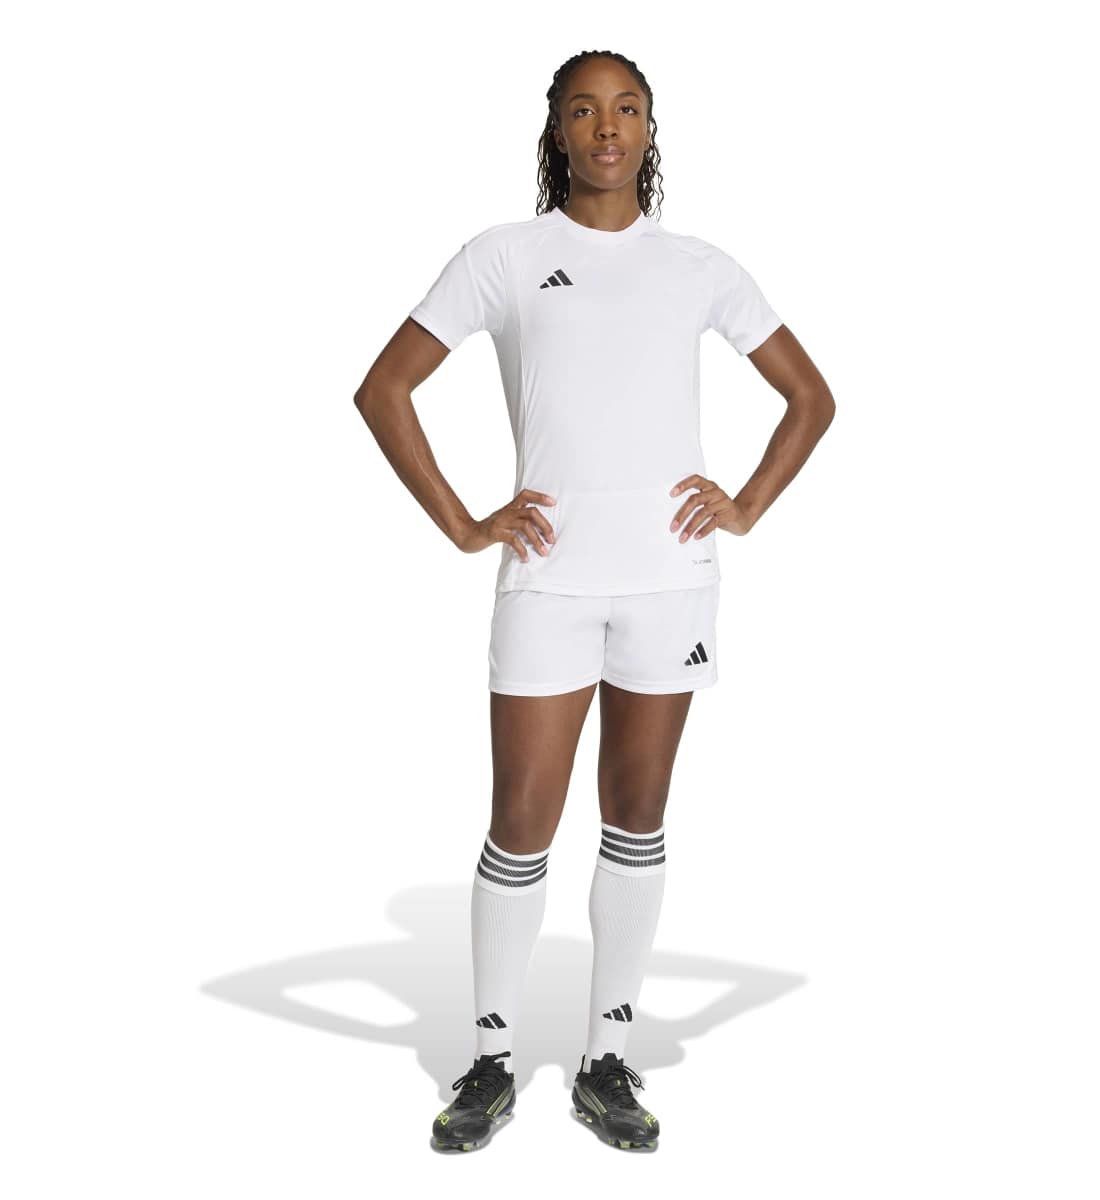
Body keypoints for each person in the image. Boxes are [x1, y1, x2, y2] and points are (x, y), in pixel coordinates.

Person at [353, 49, 835, 1153]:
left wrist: (746, 503)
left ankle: (607, 1058)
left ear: (650, 130)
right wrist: (464, 522)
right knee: (522, 818)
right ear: (557, 131)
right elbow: (384, 389)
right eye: (584, 109)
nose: (606, 126)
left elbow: (810, 397)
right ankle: (490, 1059)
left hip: (671, 581)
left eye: (626, 108)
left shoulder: (700, 267)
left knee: (636, 813)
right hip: (548, 581)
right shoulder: (506, 256)